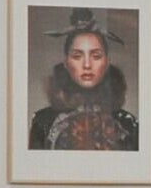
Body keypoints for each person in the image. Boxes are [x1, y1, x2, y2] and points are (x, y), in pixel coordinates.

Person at [31, 17, 137, 152]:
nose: (87, 65)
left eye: (96, 56)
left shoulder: (128, 124)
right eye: (77, 56)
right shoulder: (43, 122)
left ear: (107, 62)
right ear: (66, 63)